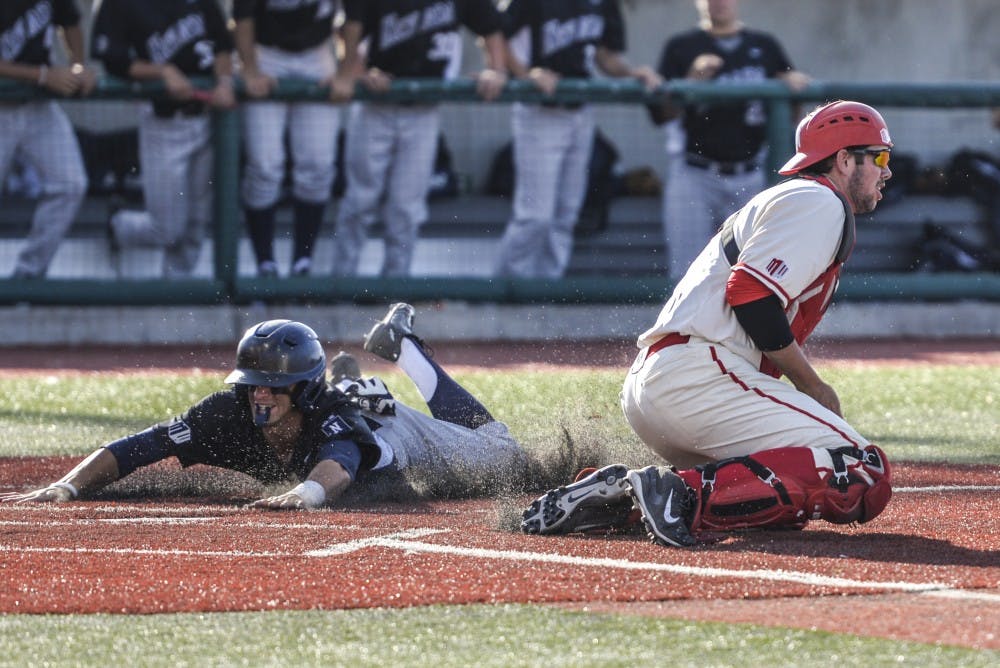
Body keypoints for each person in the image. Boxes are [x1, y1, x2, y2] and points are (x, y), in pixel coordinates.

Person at [523, 100, 895, 547]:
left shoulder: (797, 199)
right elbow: (751, 296)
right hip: (701, 377)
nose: (886, 170)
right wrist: (813, 386)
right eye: (879, 156)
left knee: (778, 496)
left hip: (671, 380)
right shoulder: (818, 200)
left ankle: (621, 501)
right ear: (842, 159)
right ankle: (677, 492)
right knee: (859, 468)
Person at [0, 304, 525, 509]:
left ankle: (403, 348)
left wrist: (306, 493)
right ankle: (358, 374)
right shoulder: (225, 411)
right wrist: (68, 485)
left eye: (274, 385)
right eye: (253, 384)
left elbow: (339, 461)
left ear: (303, 387)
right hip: (348, 403)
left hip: (392, 430)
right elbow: (140, 446)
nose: (260, 394)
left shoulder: (327, 415)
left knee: (505, 452)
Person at [329, 0, 508, 277]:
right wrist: (358, 71)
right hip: (376, 106)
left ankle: (395, 285)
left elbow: (491, 26)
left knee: (406, 206)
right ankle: (340, 283)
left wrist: (496, 69)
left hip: (424, 108)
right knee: (360, 201)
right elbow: (347, 32)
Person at [494, 0, 661, 279]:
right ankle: (504, 292)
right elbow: (494, 36)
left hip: (580, 111)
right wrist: (526, 74)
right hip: (539, 110)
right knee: (535, 216)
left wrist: (632, 73)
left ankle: (544, 291)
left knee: (566, 213)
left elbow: (604, 56)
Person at [650, 0, 810, 282]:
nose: (719, 2)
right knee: (687, 273)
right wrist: (691, 81)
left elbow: (793, 114)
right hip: (694, 173)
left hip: (749, 173)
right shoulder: (682, 46)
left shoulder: (764, 45)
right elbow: (661, 114)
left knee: (750, 272)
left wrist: (793, 88)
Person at [90, 0, 236, 278]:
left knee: (195, 223)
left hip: (207, 120)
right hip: (163, 121)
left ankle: (177, 290)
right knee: (167, 228)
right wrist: (162, 72)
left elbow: (222, 43)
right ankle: (118, 225)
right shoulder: (118, 5)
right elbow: (114, 60)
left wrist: (225, 82)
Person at [233, 0, 345, 278]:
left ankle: (302, 262)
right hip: (266, 52)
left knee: (318, 166)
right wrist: (249, 68)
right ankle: (265, 264)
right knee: (265, 166)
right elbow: (242, 16)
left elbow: (356, 14)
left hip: (317, 54)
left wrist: (347, 68)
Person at [0, 0, 95, 279]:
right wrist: (42, 75)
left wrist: (78, 65)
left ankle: (29, 275)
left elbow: (70, 21)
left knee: (71, 184)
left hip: (37, 107)